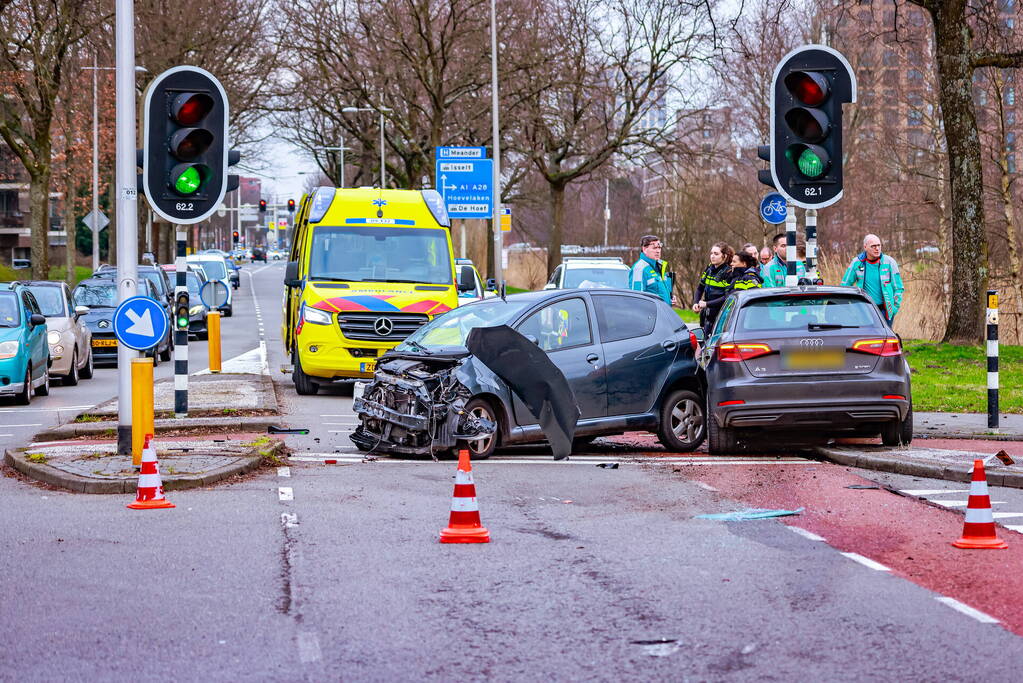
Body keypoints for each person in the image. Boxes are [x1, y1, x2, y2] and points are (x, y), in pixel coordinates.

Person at [841, 233, 904, 323]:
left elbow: (899, 288)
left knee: (884, 337)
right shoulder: (857, 263)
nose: (877, 248)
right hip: (864, 310)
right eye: (873, 246)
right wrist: (852, 308)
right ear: (865, 247)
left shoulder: (889, 262)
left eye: (878, 245)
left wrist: (894, 308)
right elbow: (845, 285)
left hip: (885, 310)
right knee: (867, 336)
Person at [692, 242, 734, 336]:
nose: (712, 256)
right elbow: (700, 288)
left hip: (721, 316)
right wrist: (696, 302)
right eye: (711, 253)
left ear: (724, 256)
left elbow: (727, 297)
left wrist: (707, 304)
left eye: (716, 254)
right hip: (707, 316)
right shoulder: (709, 269)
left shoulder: (729, 272)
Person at [630, 235, 676, 306]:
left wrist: (669, 300)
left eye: (659, 248)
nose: (658, 251)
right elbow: (637, 300)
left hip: (662, 313)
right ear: (645, 249)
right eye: (654, 248)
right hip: (650, 315)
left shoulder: (658, 266)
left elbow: (657, 292)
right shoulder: (639, 269)